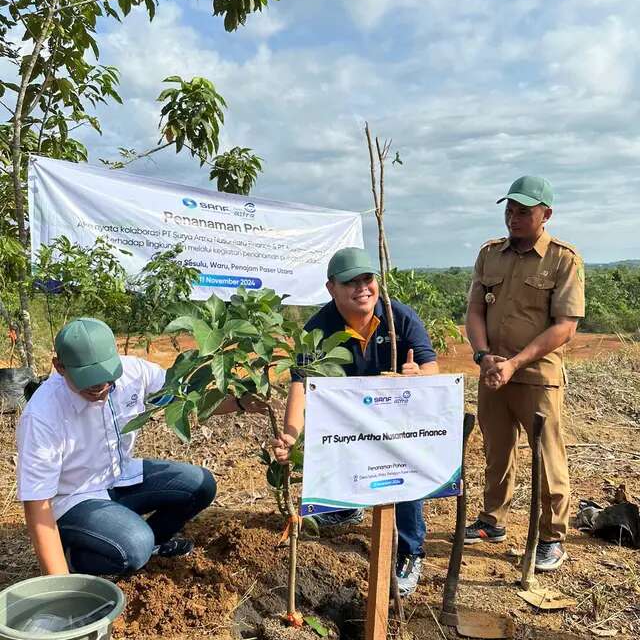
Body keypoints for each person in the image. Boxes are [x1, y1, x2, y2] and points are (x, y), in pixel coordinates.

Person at [16, 317, 259, 578]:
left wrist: (241, 402)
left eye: (108, 376)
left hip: (119, 477)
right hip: (75, 497)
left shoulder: (134, 373)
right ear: (60, 367)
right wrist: (60, 586)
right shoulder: (42, 415)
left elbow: (185, 397)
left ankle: (147, 543)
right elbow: (37, 505)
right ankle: (80, 558)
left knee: (201, 485)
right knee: (134, 546)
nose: (101, 387)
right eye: (89, 379)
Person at [271, 247, 439, 596]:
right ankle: (343, 508)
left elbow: (430, 367)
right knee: (329, 440)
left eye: (368, 279)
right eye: (351, 282)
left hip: (396, 422)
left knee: (400, 476)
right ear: (332, 288)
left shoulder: (400, 318)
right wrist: (290, 435)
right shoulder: (319, 328)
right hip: (348, 421)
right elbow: (302, 385)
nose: (362, 288)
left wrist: (416, 375)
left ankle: (410, 551)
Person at [464, 176, 585, 571]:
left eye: (523, 212)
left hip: (537, 375)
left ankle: (552, 536)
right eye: (509, 210)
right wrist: (484, 357)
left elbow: (565, 326)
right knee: (496, 450)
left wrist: (515, 362)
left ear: (545, 214)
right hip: (492, 372)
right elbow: (476, 311)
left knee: (547, 456)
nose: (513, 218)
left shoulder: (563, 259)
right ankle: (492, 521)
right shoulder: (490, 254)